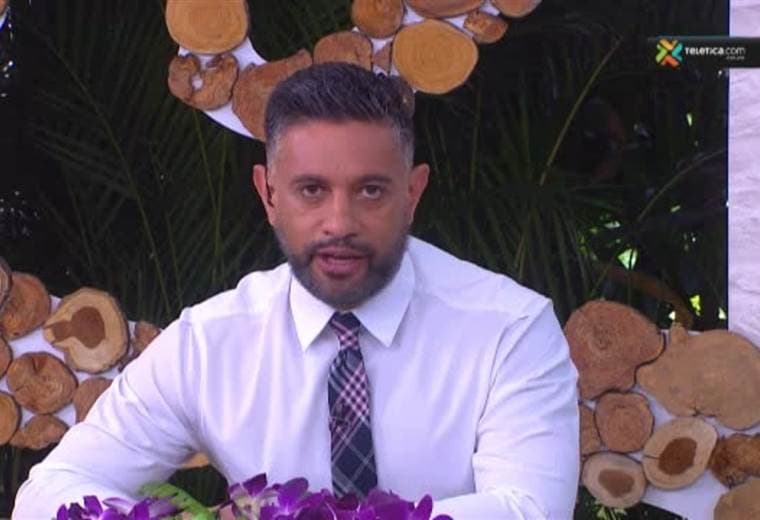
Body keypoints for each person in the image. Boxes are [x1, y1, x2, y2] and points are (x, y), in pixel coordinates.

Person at [13, 63, 579, 519]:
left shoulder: (510, 329)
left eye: (371, 191)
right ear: (269, 194)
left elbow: (532, 509)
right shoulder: (207, 344)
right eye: (311, 190)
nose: (339, 223)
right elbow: (49, 491)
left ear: (412, 193)